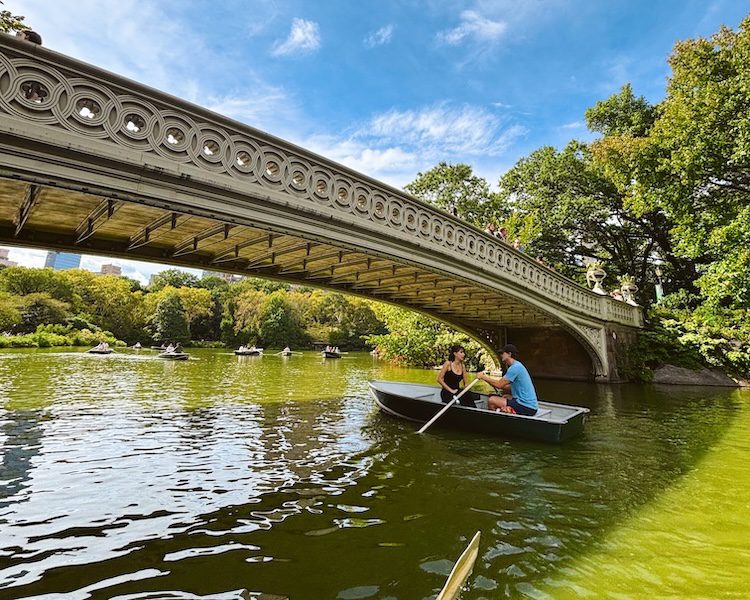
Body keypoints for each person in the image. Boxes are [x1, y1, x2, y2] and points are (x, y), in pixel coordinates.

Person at [476, 344, 538, 416]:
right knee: (505, 396)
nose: (501, 355)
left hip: (526, 407)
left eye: (503, 353)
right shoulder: (518, 365)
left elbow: (499, 384)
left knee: (491, 400)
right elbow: (509, 387)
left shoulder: (514, 368)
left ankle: (496, 422)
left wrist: (483, 377)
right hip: (531, 406)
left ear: (509, 354)